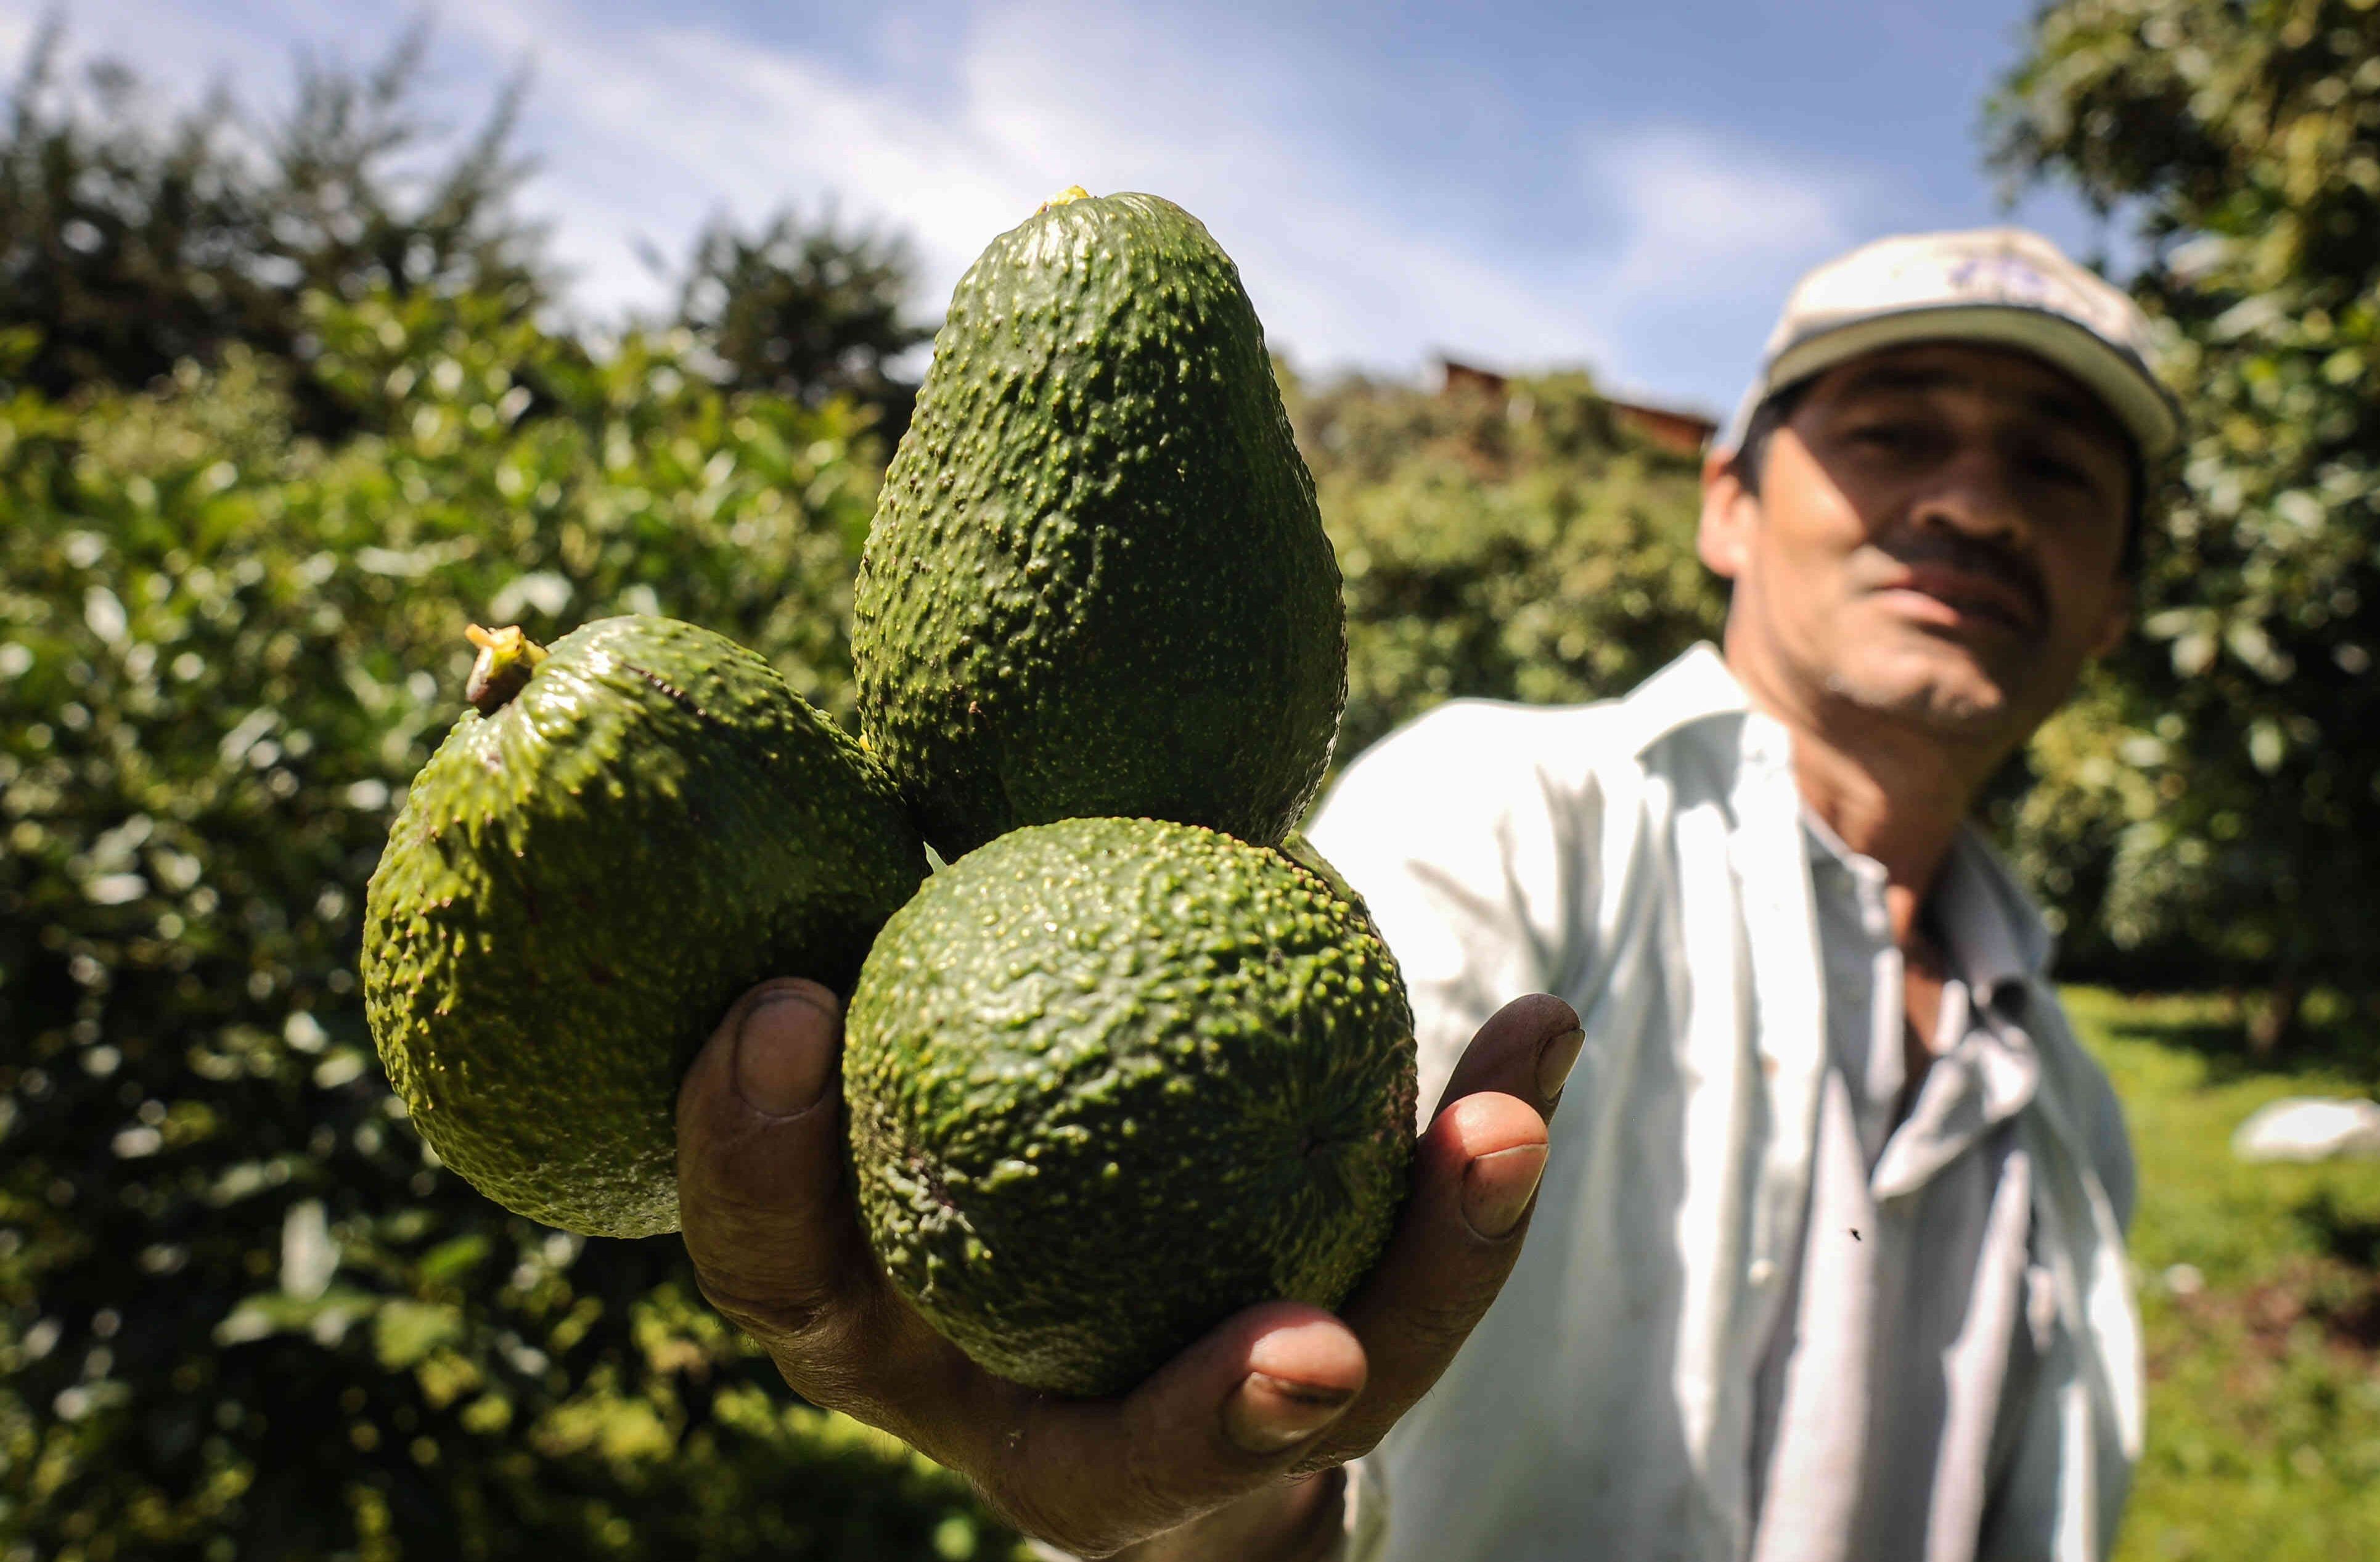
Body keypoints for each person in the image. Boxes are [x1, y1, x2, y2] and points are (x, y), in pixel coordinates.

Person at [672, 226, 2179, 1561]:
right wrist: (1211, 1489)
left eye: (2051, 468)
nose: (1974, 504)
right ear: (1727, 503)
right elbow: (1253, 1240)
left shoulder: (2069, 1096)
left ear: (2116, 596)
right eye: (1897, 434)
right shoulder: (1510, 804)